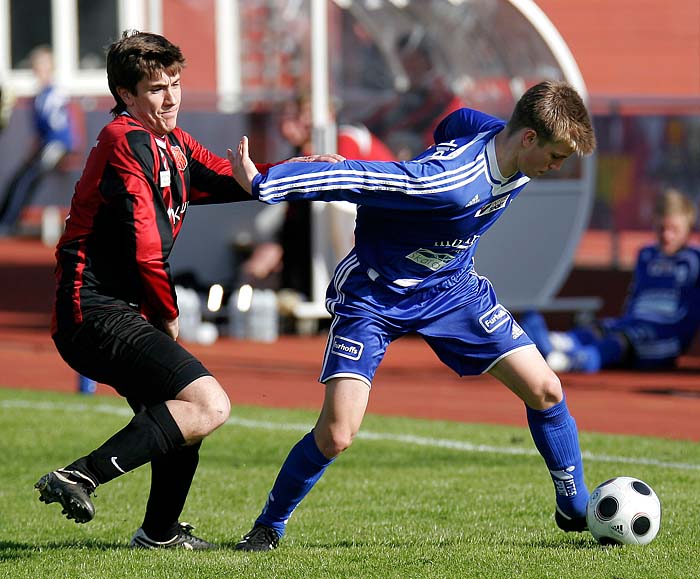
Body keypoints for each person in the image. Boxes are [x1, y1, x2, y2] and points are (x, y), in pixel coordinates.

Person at [227, 80, 597, 550]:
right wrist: (264, 183)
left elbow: (457, 123)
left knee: (546, 388)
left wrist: (436, 146)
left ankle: (574, 507)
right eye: (557, 155)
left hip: (452, 291)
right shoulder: (447, 184)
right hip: (377, 297)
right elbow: (356, 179)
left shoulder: (501, 140)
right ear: (528, 138)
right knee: (338, 433)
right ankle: (268, 526)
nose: (557, 167)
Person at [34, 30, 336, 550]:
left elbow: (222, 176)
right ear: (126, 96)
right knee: (210, 403)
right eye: (156, 88)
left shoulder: (167, 141)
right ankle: (79, 476)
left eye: (175, 83)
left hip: (110, 309)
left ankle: (158, 534)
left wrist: (290, 174)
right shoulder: (124, 141)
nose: (171, 97)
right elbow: (145, 245)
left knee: (182, 413)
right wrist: (165, 312)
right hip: (91, 309)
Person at [520, 188, 700, 373]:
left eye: (674, 230)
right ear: (654, 223)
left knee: (617, 342)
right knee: (599, 329)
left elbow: (689, 316)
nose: (667, 235)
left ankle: (565, 361)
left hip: (665, 336)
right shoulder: (646, 255)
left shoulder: (694, 259)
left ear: (688, 227)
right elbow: (634, 297)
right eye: (662, 228)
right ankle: (553, 343)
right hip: (634, 322)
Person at [240, 94, 396, 302]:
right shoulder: (307, 149)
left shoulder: (345, 137)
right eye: (291, 116)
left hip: (381, 224)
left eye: (301, 115)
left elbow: (338, 183)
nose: (292, 124)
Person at [0, 46, 81, 234]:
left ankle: (8, 223)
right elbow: (40, 132)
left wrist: (59, 151)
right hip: (47, 146)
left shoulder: (54, 95)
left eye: (42, 67)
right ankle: (5, 218)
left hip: (58, 146)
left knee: (29, 177)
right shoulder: (39, 97)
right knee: (19, 177)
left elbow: (59, 129)